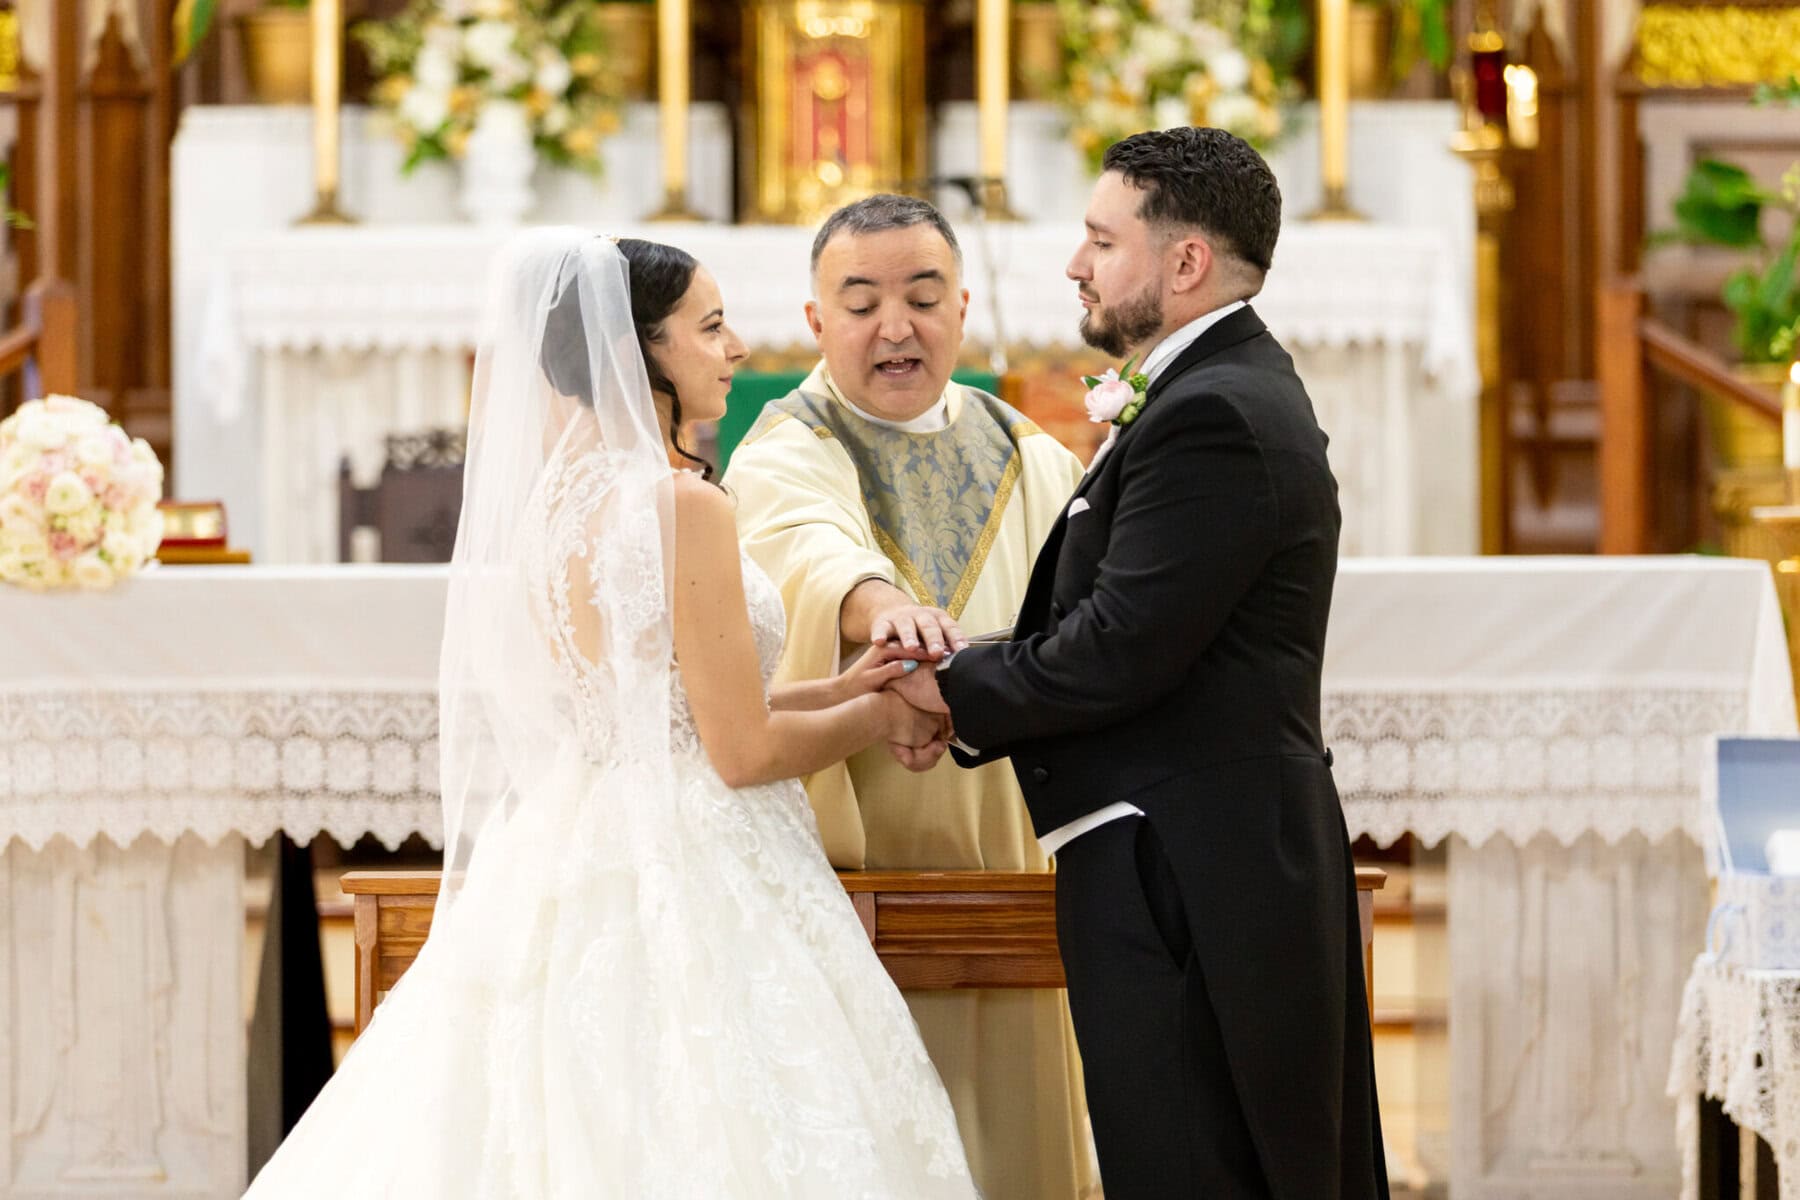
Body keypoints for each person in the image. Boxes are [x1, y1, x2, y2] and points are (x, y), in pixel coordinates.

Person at [243, 228, 977, 1198]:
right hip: (696, 855)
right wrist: (885, 719)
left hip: (577, 826)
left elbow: (669, 704)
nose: (736, 350)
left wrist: (851, 685)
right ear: (642, 353)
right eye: (710, 328)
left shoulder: (557, 501)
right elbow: (740, 748)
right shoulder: (684, 506)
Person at [892, 128, 1391, 1199]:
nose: (1076, 262)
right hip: (1192, 849)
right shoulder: (1211, 390)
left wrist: (946, 687)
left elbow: (1120, 649)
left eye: (1100, 238)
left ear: (1185, 264)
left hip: (1191, 866)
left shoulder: (1215, 412)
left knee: (1194, 1161)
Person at [723, 195, 1098, 1200]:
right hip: (860, 873)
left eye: (923, 297)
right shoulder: (782, 449)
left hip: (1012, 856)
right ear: (814, 322)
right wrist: (884, 607)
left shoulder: (1034, 455)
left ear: (963, 308)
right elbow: (807, 548)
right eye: (862, 302)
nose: (897, 326)